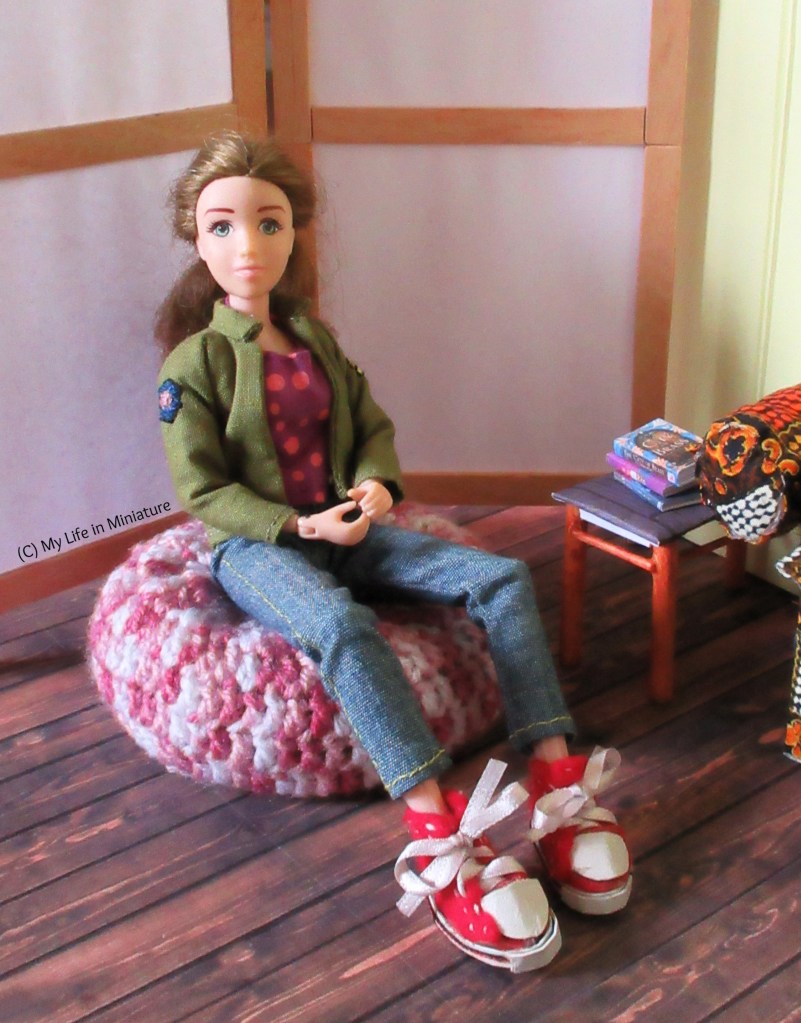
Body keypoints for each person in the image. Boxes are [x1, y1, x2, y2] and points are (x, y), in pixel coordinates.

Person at [155, 131, 631, 972]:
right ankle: (436, 830)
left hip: (348, 524)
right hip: (258, 544)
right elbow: (202, 490)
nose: (248, 245)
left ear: (294, 232)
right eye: (222, 226)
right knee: (339, 625)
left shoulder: (313, 339)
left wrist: (374, 486)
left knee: (502, 575)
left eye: (268, 224)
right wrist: (301, 527)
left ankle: (556, 788)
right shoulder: (195, 363)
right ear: (196, 238)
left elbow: (370, 426)